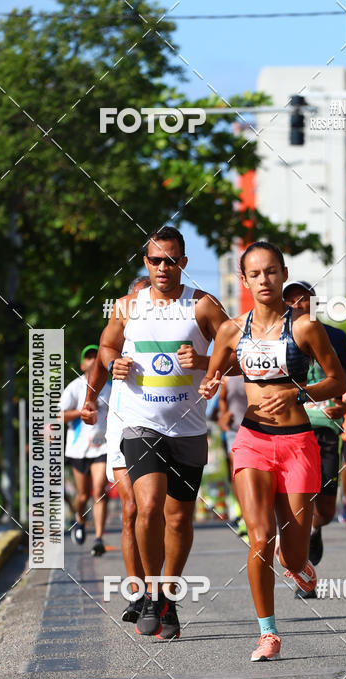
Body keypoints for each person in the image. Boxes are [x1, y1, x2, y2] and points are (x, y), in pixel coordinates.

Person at [200, 241, 346, 661]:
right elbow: (214, 373)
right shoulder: (231, 330)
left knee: (293, 553)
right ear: (243, 280)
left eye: (271, 271)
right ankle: (268, 633)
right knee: (260, 537)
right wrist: (209, 383)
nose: (264, 280)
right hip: (253, 442)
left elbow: (338, 381)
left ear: (283, 274)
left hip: (299, 444)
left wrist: (298, 394)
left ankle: (299, 565)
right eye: (255, 274)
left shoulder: (305, 327)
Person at [100, 226, 230, 638]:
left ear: (183, 263)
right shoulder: (127, 306)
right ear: (146, 262)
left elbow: (238, 351)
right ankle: (150, 593)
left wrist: (205, 362)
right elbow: (106, 346)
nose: (163, 267)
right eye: (155, 260)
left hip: (188, 429)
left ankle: (168, 597)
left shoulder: (204, 305)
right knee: (149, 505)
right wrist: (113, 364)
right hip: (141, 424)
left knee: (178, 519)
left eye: (171, 260)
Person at [82, 276, 151, 626]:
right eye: (136, 298)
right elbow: (100, 359)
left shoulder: (175, 324)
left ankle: (158, 589)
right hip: (123, 425)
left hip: (165, 427)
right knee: (131, 509)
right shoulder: (119, 328)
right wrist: (89, 401)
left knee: (157, 512)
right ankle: (137, 593)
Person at [283, 279, 346, 591]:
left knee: (325, 510)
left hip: (327, 427)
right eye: (291, 301)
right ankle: (300, 564)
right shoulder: (276, 338)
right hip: (291, 427)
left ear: (315, 304)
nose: (297, 305)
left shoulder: (336, 337)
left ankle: (314, 531)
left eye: (304, 299)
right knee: (298, 498)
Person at [60, 345, 110, 555]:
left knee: (99, 491)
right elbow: (59, 415)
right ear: (82, 365)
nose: (92, 360)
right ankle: (79, 520)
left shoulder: (110, 387)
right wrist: (81, 412)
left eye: (95, 357)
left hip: (103, 446)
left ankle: (98, 538)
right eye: (88, 357)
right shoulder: (74, 387)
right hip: (78, 449)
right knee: (82, 495)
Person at [217, 374, 248, 536]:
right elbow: (222, 399)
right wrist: (224, 414)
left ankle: (255, 513)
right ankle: (244, 515)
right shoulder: (227, 377)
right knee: (237, 472)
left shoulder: (257, 369)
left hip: (258, 429)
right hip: (234, 430)